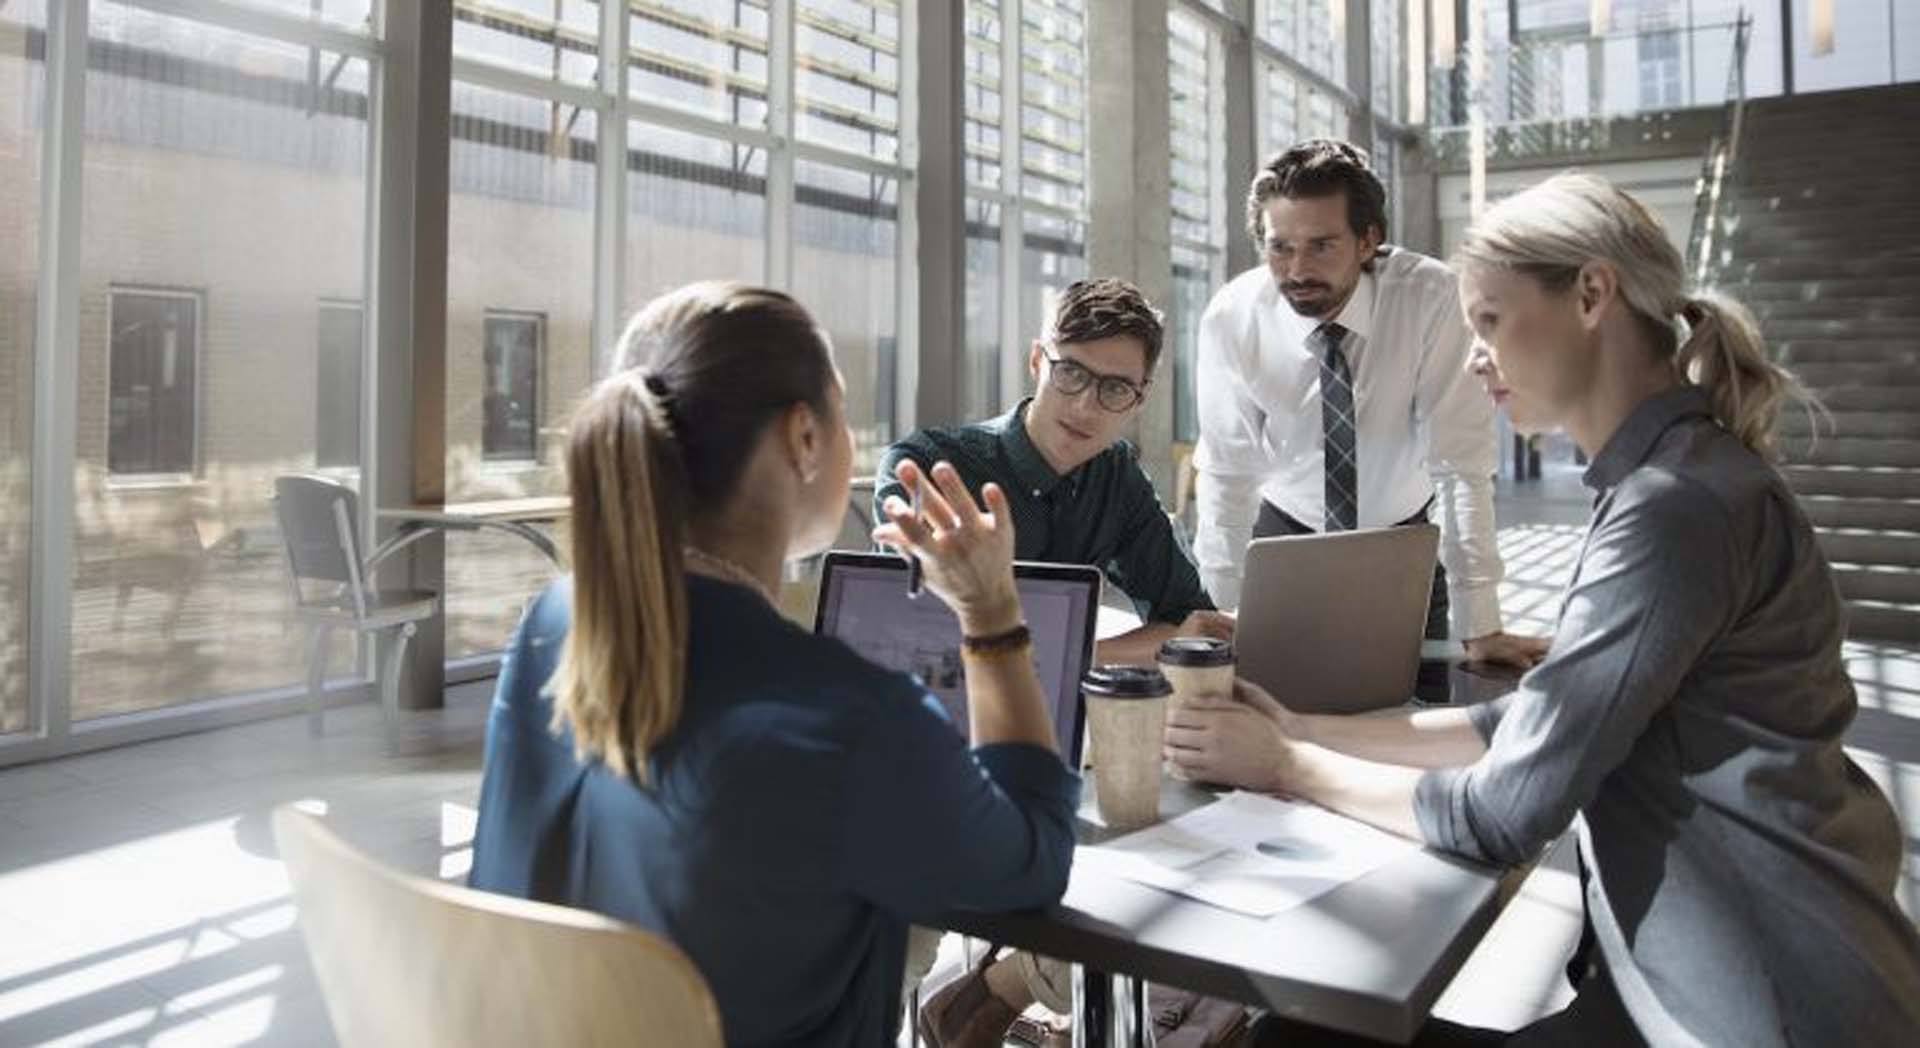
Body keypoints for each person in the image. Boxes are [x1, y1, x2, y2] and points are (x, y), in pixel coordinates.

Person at [1166, 174, 1920, 1045]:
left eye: (1488, 321)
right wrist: (1300, 726)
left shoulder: (1675, 508)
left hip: (1753, 1010)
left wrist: (1285, 765)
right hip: (1693, 992)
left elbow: (1503, 812)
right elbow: (1532, 722)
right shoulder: (1673, 481)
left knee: (1295, 1038)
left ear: (1591, 294)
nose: (1473, 353)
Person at [467, 282, 1079, 1045]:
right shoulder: (850, 719)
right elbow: (1028, 867)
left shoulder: (548, 629)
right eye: (843, 412)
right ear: (804, 439)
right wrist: (990, 614)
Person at [1192, 139, 1545, 675]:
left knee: (1414, 715)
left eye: (1321, 246)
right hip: (1285, 540)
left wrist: (1482, 623)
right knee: (1274, 722)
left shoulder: (1431, 300)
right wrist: (1218, 618)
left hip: (1403, 545)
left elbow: (1459, 466)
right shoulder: (1234, 317)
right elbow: (1227, 475)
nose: (1296, 269)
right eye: (1279, 247)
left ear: (1368, 240)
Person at [877, 277, 1231, 668]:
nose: (1085, 407)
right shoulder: (925, 465)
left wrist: (1079, 658)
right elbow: (915, 639)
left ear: (1140, 400)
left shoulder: (1116, 475)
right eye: (1071, 373)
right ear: (1035, 362)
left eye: (1114, 389)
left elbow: (1190, 625)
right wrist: (1091, 658)